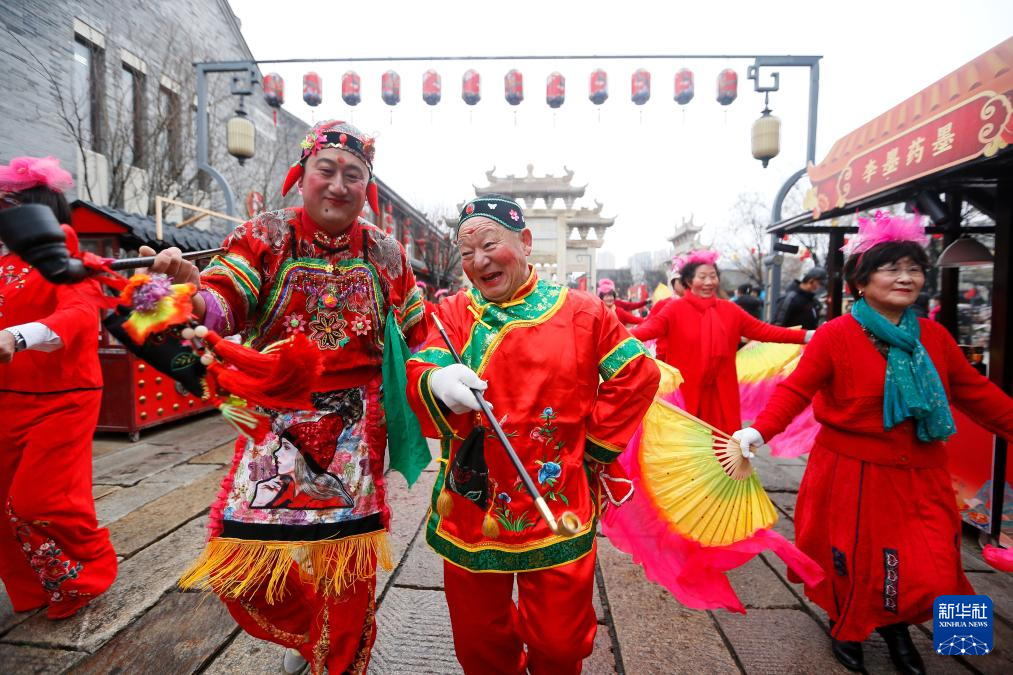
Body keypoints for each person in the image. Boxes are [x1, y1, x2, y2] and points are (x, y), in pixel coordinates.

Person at [150, 120, 428, 675]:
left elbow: (418, 337)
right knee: (244, 573)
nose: (339, 185)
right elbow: (224, 301)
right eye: (326, 170)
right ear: (302, 175)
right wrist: (191, 293)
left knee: (346, 572)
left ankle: (340, 661)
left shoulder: (387, 253)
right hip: (275, 421)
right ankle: (318, 637)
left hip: (356, 427)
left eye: (354, 175)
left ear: (367, 187)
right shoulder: (265, 235)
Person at [732, 213, 1013, 674]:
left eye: (914, 268)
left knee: (939, 562)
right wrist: (758, 431)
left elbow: (979, 395)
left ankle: (939, 636)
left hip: (923, 472)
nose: (906, 278)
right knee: (859, 561)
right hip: (853, 472)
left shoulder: (935, 337)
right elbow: (795, 391)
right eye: (892, 268)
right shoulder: (836, 335)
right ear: (860, 281)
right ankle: (850, 626)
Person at [405, 194, 660, 675]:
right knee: (478, 642)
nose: (478, 261)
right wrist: (436, 382)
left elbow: (637, 375)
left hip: (557, 499)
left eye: (489, 245)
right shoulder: (455, 312)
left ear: (524, 242)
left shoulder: (583, 312)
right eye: (466, 253)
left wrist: (592, 450)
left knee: (562, 644)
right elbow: (422, 365)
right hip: (475, 504)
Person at [0, 156, 117, 620]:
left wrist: (16, 337)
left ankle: (87, 575)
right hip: (8, 396)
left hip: (64, 397)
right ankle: (34, 588)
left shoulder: (73, 261)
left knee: (40, 499)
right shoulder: (3, 264)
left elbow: (79, 317)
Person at [631, 249, 810, 434]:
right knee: (686, 444)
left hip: (723, 395)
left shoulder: (730, 310)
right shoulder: (674, 309)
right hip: (686, 395)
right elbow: (644, 331)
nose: (709, 282)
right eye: (702, 277)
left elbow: (765, 331)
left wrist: (806, 336)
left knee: (723, 445)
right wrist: (614, 336)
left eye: (713, 276)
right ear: (689, 281)